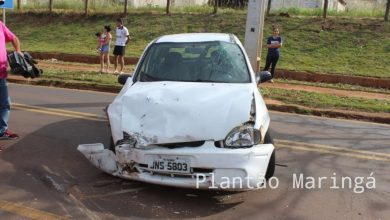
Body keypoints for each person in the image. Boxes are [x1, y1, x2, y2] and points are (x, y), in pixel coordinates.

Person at [0, 21, 22, 140]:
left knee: (4, 104)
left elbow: (14, 38)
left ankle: (2, 131)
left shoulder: (0, 25)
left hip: (1, 73)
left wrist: (18, 51)